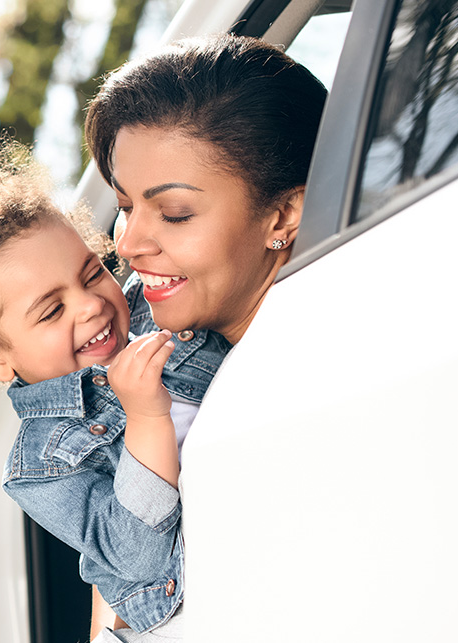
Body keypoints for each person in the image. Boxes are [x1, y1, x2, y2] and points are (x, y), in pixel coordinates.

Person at [0, 149, 229, 642]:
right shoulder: (42, 465)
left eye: (91, 274)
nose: (90, 306)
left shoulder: (160, 304)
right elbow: (135, 555)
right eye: (50, 312)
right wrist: (146, 418)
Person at [79, 33, 329, 641]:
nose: (128, 243)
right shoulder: (141, 377)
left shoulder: (326, 374)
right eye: (124, 206)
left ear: (282, 216)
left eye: (174, 214)